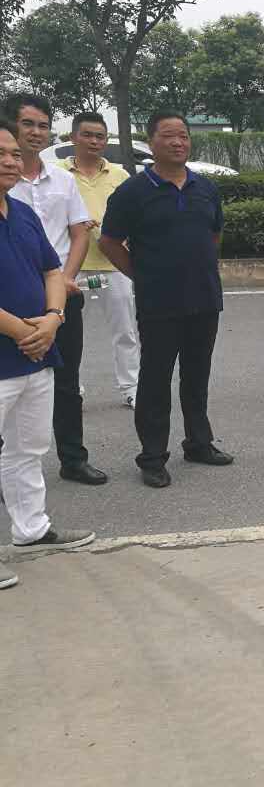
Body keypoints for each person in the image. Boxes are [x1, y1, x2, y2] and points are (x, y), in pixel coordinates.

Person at [100, 112, 234, 488]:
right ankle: (152, 456)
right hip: (159, 302)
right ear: (151, 141)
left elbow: (214, 235)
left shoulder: (205, 188)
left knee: (197, 375)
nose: (178, 142)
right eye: (169, 135)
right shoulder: (132, 192)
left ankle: (198, 443)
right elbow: (109, 242)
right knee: (155, 380)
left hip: (205, 298)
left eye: (184, 136)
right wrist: (142, 276)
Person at [0, 119, 95, 589]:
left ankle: (32, 529)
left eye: (13, 154)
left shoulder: (21, 213)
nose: (10, 161)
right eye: (0, 154)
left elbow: (51, 270)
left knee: (28, 447)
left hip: (36, 351)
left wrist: (54, 317)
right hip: (14, 349)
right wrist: (22, 329)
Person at [7, 93, 105, 489]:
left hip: (62, 296)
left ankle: (73, 459)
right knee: (9, 387)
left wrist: (66, 279)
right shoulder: (5, 181)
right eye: (28, 124)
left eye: (43, 126)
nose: (36, 132)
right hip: (11, 302)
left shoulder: (63, 180)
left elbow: (79, 232)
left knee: (66, 382)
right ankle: (8, 473)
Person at [59, 112, 141, 411]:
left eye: (99, 136)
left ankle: (132, 388)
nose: (94, 141)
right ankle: (71, 388)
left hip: (114, 265)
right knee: (69, 333)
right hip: (71, 267)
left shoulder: (120, 176)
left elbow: (134, 216)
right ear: (73, 137)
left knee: (125, 330)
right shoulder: (58, 174)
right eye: (87, 135)